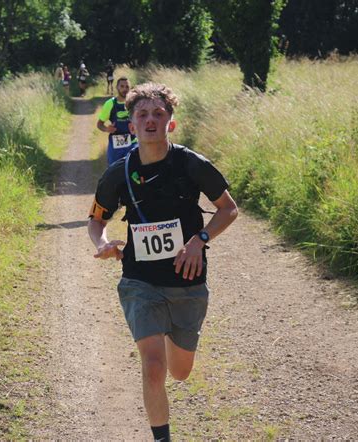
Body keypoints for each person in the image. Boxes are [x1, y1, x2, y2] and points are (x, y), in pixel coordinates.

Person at [88, 83, 238, 441]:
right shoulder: (117, 174)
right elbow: (96, 221)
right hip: (140, 281)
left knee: (180, 372)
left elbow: (229, 209)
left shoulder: (191, 164)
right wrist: (104, 243)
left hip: (187, 281)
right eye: (142, 115)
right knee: (153, 367)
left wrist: (198, 241)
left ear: (170, 122)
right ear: (131, 125)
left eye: (159, 114)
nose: (150, 120)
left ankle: (173, 336)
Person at [97, 77, 137, 165]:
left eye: (127, 87)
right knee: (114, 171)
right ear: (117, 87)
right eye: (122, 86)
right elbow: (99, 124)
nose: (124, 89)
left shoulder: (135, 103)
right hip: (115, 144)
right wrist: (107, 129)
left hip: (133, 142)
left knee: (134, 171)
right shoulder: (110, 103)